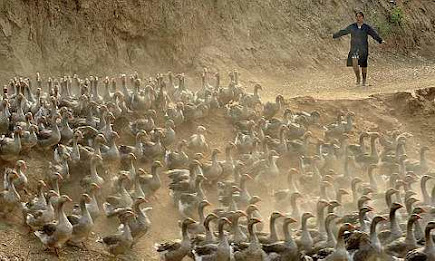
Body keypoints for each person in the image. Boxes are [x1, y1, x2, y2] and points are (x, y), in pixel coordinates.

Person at [333, 12, 384, 86]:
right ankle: (358, 78)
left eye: (359, 17)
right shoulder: (352, 26)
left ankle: (364, 80)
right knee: (354, 63)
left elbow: (374, 34)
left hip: (363, 48)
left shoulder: (366, 27)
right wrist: (334, 36)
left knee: (363, 65)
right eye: (357, 17)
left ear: (362, 18)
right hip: (354, 48)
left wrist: (380, 40)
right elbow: (344, 31)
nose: (358, 18)